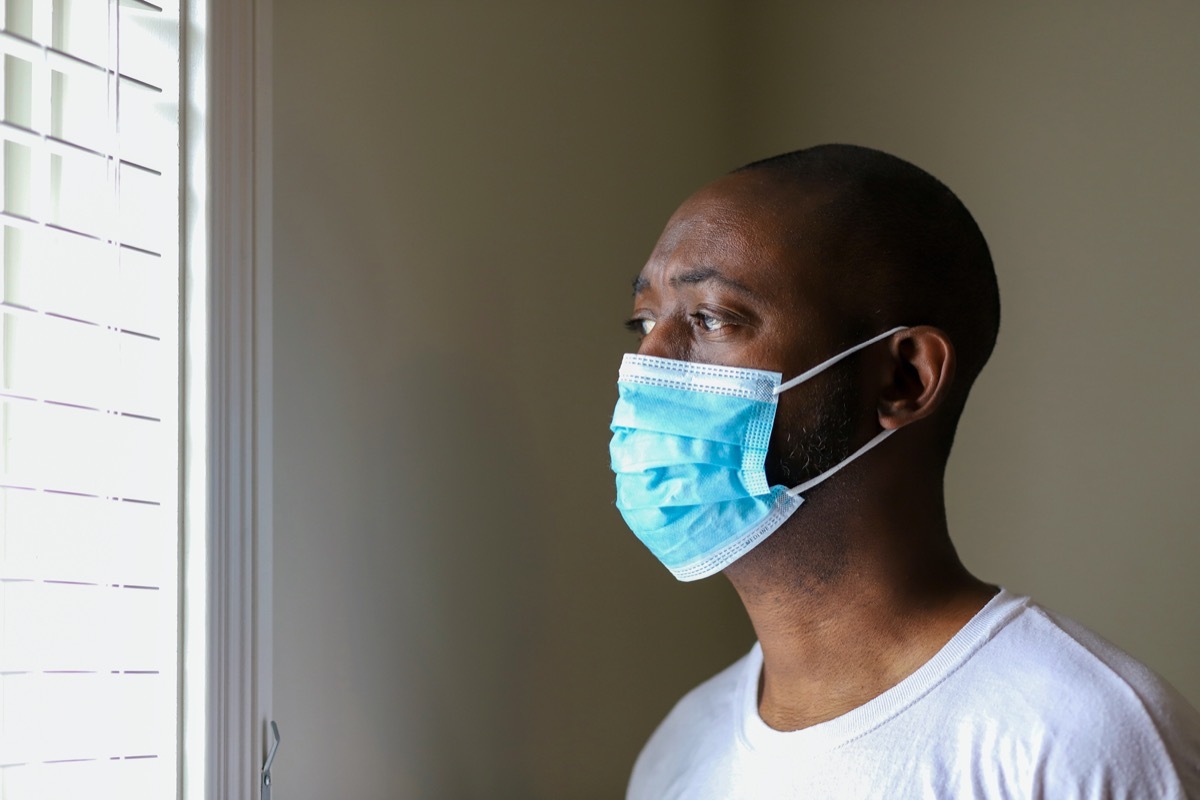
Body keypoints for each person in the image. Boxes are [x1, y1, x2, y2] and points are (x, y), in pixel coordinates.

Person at [608, 144, 1200, 799]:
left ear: (903, 378)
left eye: (711, 318)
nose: (646, 364)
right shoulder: (679, 750)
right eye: (644, 320)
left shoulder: (1076, 743)